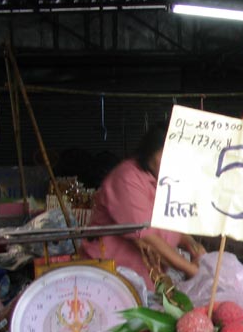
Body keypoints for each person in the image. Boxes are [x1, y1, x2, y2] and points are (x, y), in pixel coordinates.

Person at [80, 122, 205, 290]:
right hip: (111, 280)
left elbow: (169, 225)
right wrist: (193, 271)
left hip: (145, 281)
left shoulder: (167, 180)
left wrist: (192, 245)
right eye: (166, 155)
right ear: (150, 149)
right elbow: (146, 237)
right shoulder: (127, 177)